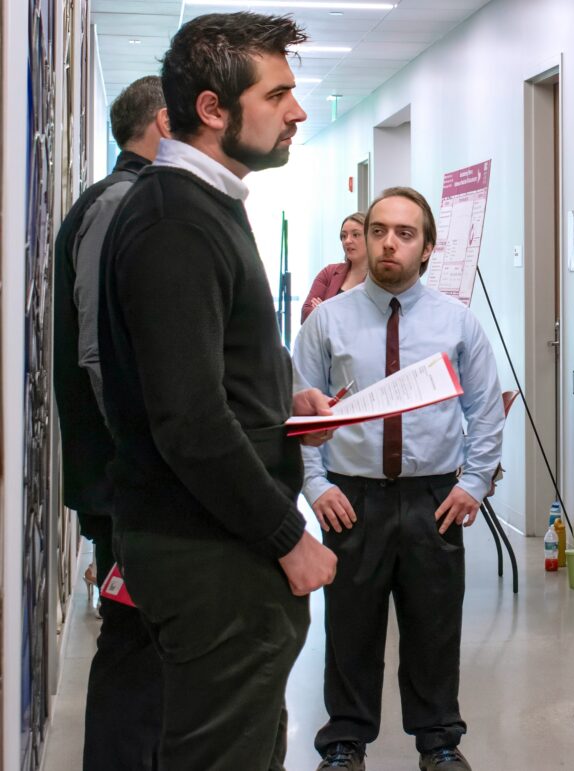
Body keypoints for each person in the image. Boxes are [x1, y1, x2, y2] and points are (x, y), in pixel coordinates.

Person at [97, 13, 338, 770]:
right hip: (210, 551)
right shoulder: (176, 220)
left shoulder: (206, 205)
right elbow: (190, 419)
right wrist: (287, 536)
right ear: (212, 109)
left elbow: (210, 357)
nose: (297, 111)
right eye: (279, 94)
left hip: (213, 541)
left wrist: (282, 393)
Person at [293, 186, 504, 771]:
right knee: (350, 625)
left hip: (432, 497)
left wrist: (475, 483)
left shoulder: (457, 324)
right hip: (351, 497)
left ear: (428, 248)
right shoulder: (326, 322)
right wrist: (317, 487)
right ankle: (344, 741)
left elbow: (485, 411)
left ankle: (438, 741)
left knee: (434, 624)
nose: (389, 243)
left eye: (405, 234)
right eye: (380, 229)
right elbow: (299, 413)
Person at [53, 74, 168, 771]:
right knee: (132, 645)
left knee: (148, 649)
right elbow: (102, 355)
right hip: (126, 483)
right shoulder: (120, 202)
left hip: (130, 479)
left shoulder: (130, 198)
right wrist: (145, 466)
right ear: (164, 120)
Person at [301, 212, 368, 323]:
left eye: (355, 235)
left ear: (370, 238)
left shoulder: (379, 279)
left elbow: (368, 322)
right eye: (343, 236)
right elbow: (305, 314)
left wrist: (323, 310)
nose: (347, 241)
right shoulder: (329, 272)